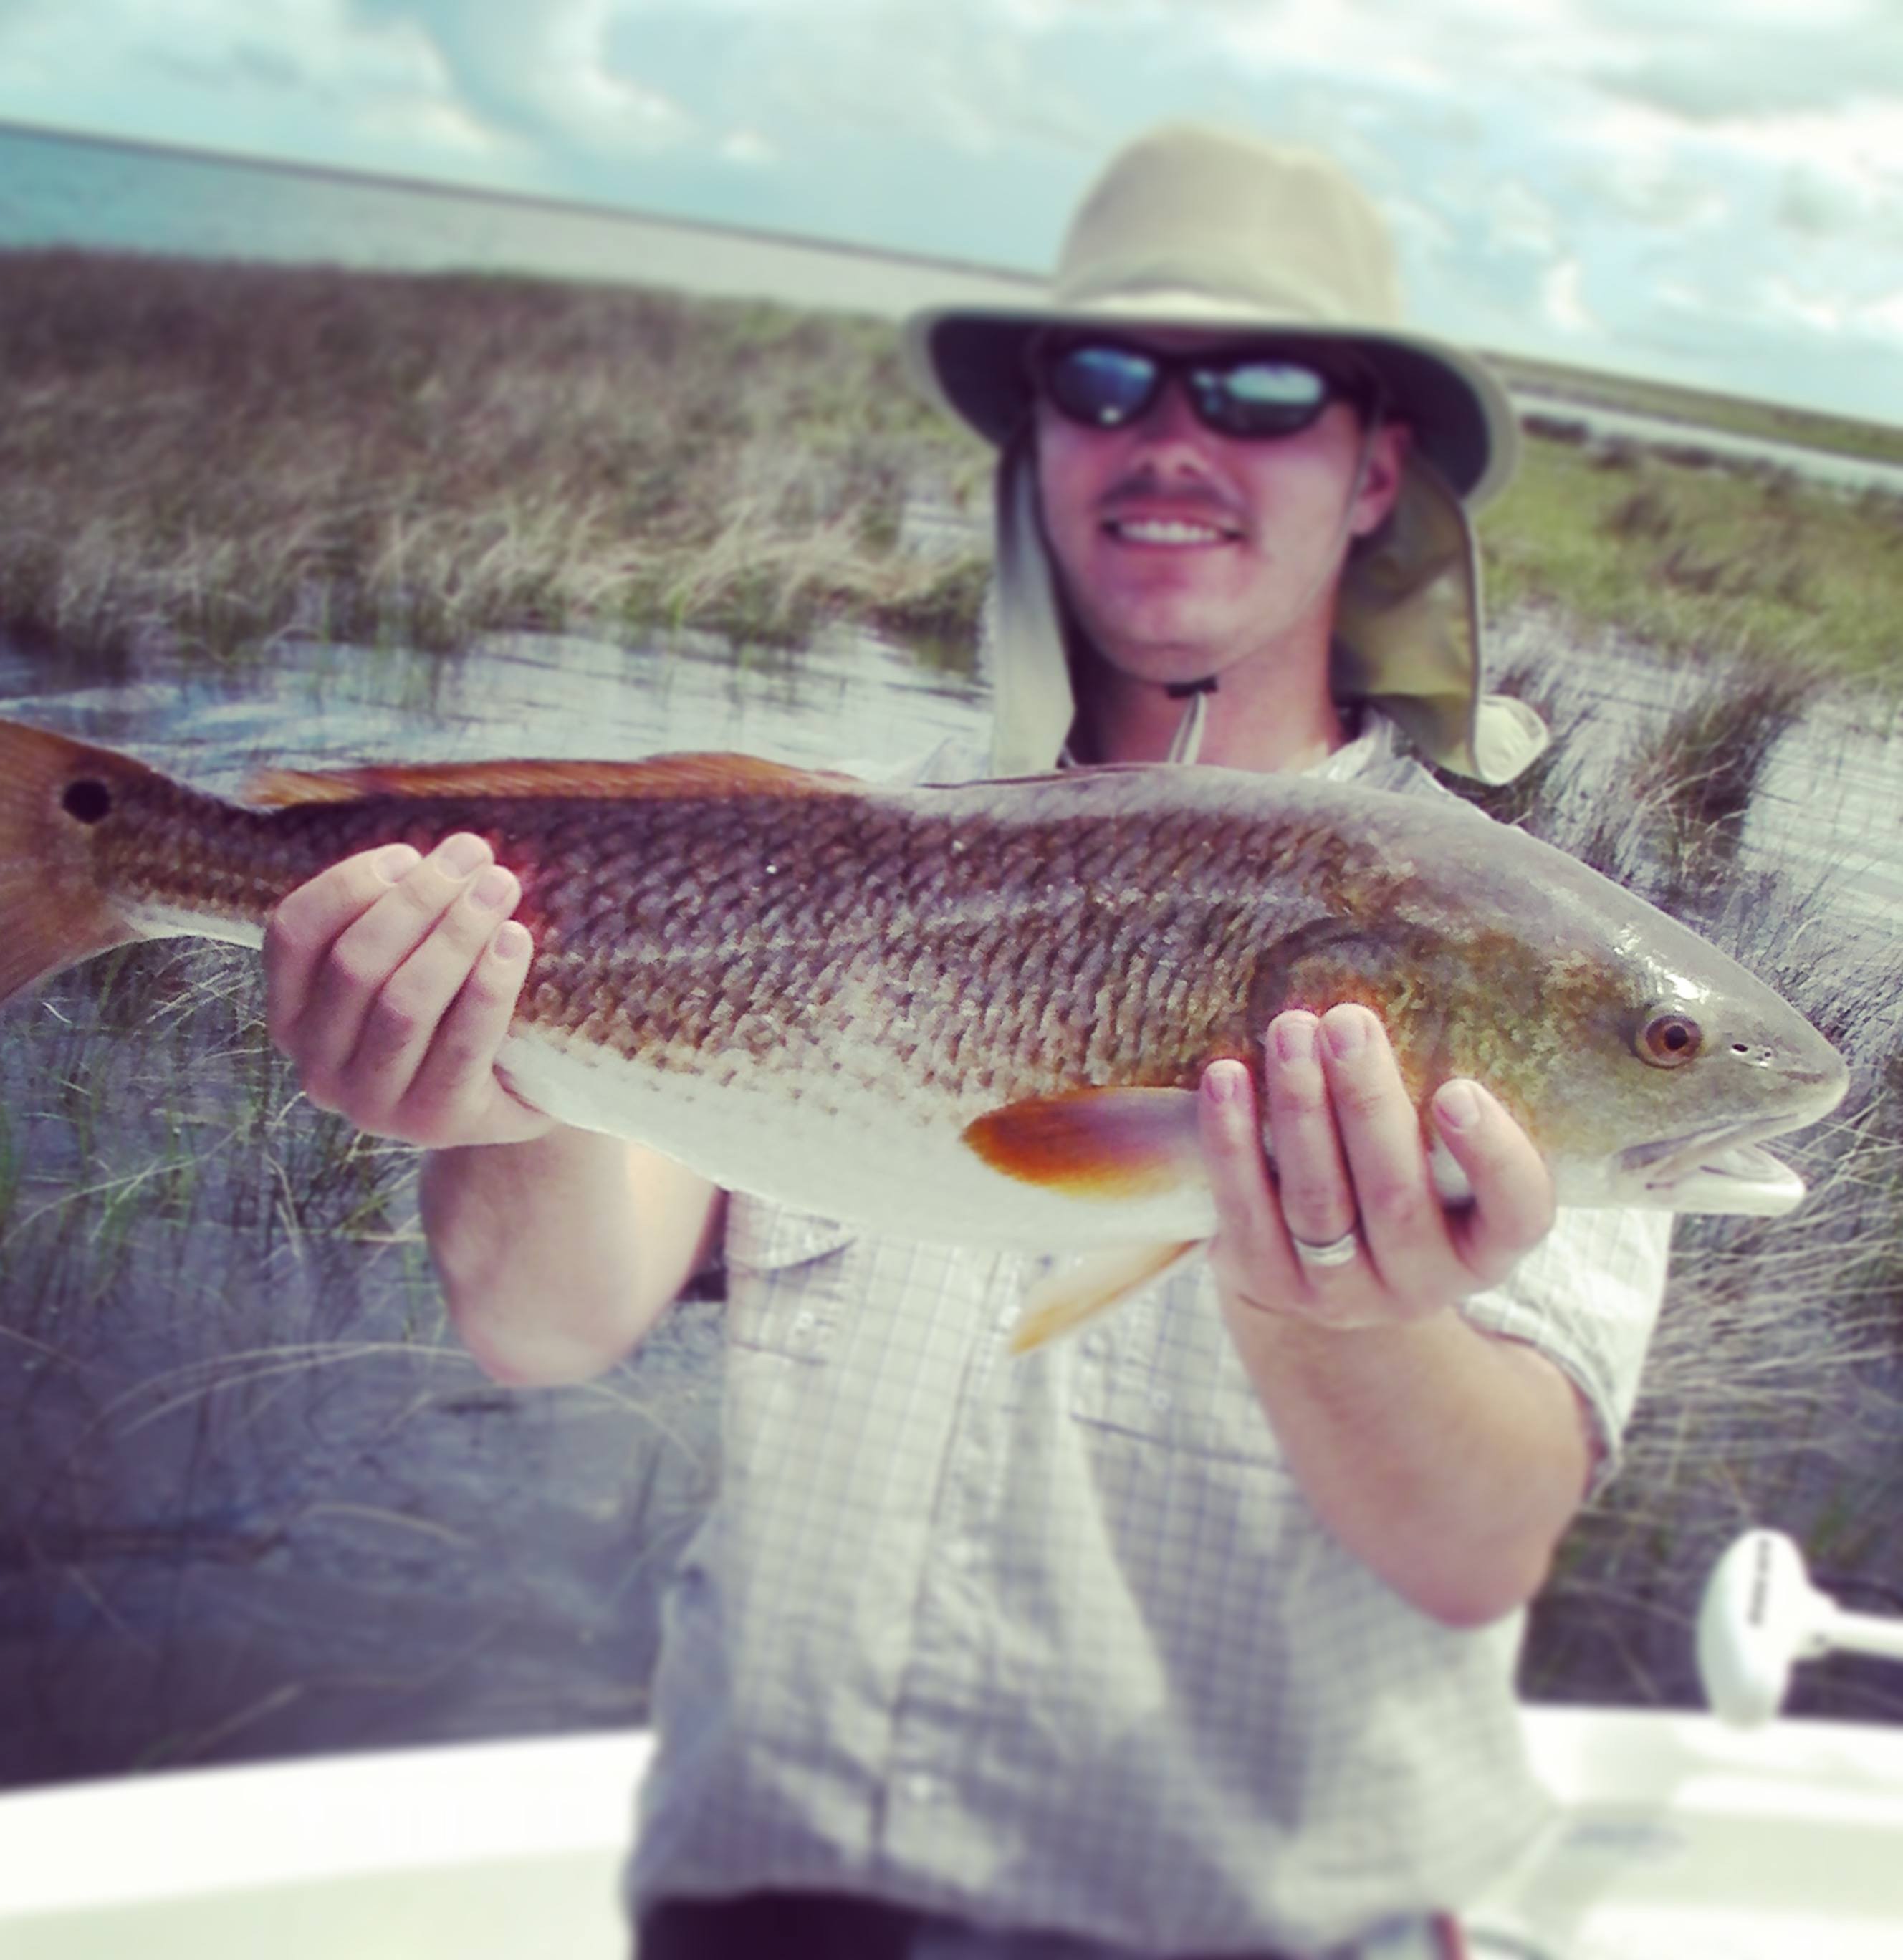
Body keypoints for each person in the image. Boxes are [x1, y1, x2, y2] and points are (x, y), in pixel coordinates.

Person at [262, 126, 1670, 1960]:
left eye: (1261, 388)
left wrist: (1331, 1306)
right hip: (758, 1894)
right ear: (1042, 435)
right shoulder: (845, 863)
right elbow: (546, 1321)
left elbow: (1483, 1544)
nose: (1173, 437)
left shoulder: (1513, 950)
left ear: (1375, 458)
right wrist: (482, 1089)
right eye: (1103, 378)